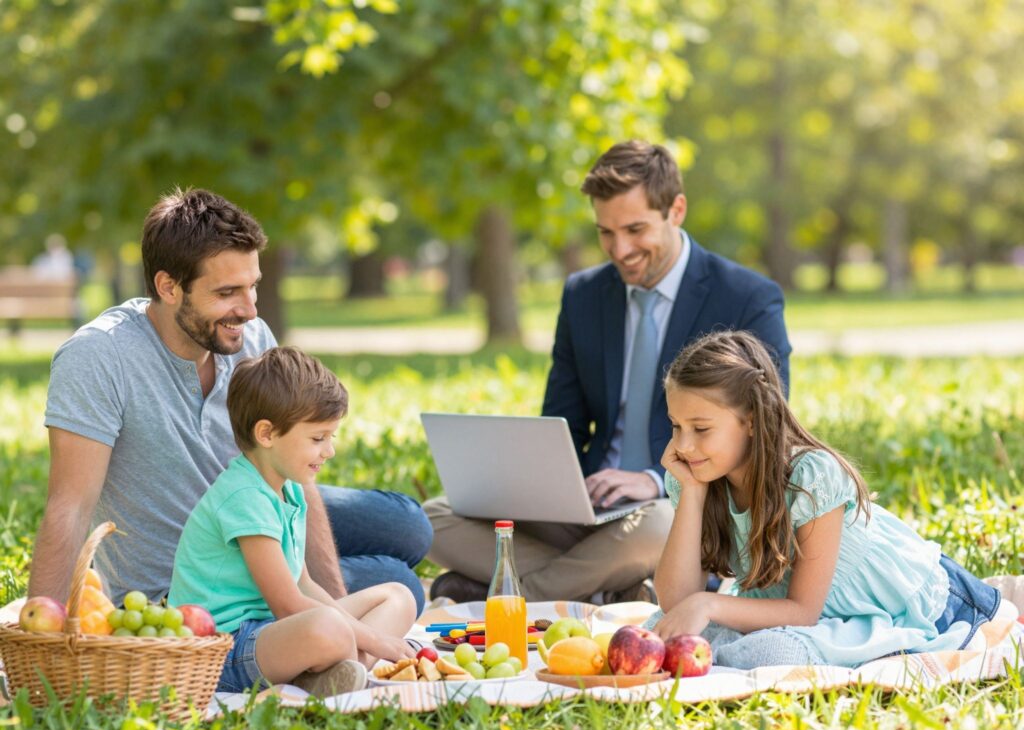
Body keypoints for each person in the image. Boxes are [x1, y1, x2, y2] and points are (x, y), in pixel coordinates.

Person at [28, 188, 432, 613]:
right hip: (193, 589)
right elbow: (70, 508)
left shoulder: (251, 339)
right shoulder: (99, 356)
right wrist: (40, 628)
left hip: (254, 515)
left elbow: (291, 472)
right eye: (227, 293)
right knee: (401, 581)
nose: (250, 310)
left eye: (252, 286)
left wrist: (334, 608)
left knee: (408, 525)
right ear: (168, 286)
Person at [426, 140, 791, 604]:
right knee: (434, 519)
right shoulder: (583, 295)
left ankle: (514, 593)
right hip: (592, 508)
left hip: (682, 505)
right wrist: (543, 487)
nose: (621, 250)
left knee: (657, 524)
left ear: (676, 210)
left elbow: (764, 430)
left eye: (635, 229)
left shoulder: (747, 296)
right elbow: (563, 420)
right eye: (606, 233)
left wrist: (656, 480)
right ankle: (613, 588)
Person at [646, 330, 1000, 668]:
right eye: (676, 426)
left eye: (701, 429)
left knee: (769, 651)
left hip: (900, 607)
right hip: (804, 617)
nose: (683, 445)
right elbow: (676, 602)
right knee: (658, 626)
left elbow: (802, 611)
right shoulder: (698, 479)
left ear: (751, 421)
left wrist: (708, 604)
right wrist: (692, 493)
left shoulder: (811, 477)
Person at [169, 347, 416, 695]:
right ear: (267, 434)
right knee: (328, 627)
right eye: (317, 438)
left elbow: (304, 584)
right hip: (224, 649)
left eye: (331, 437)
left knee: (398, 596)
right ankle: (341, 669)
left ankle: (338, 672)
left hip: (271, 631)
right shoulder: (244, 497)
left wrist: (358, 632)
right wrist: (374, 639)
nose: (329, 451)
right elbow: (287, 604)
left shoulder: (290, 489)